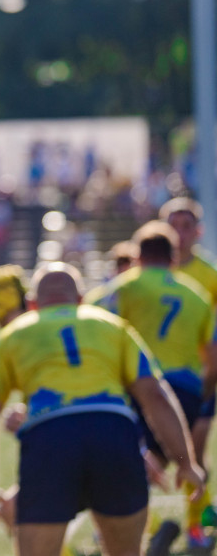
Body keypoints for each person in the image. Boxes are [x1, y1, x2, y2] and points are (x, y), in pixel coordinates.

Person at [0, 262, 205, 556]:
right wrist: (185, 462)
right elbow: (156, 396)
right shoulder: (114, 327)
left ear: (32, 304)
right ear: (80, 299)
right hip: (115, 436)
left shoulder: (11, 335)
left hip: (49, 441)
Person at [84, 220, 217, 546]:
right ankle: (187, 533)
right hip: (185, 395)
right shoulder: (197, 295)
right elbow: (212, 359)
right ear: (172, 257)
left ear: (139, 255)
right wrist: (204, 397)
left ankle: (125, 537)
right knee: (167, 463)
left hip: (138, 391)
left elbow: (84, 320)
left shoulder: (124, 286)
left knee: (130, 465)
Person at [162, 196, 217, 530]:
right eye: (173, 226)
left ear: (199, 231)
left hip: (200, 376)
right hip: (155, 378)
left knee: (194, 452)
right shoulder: (149, 270)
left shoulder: (209, 274)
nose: (179, 234)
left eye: (186, 226)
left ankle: (196, 525)